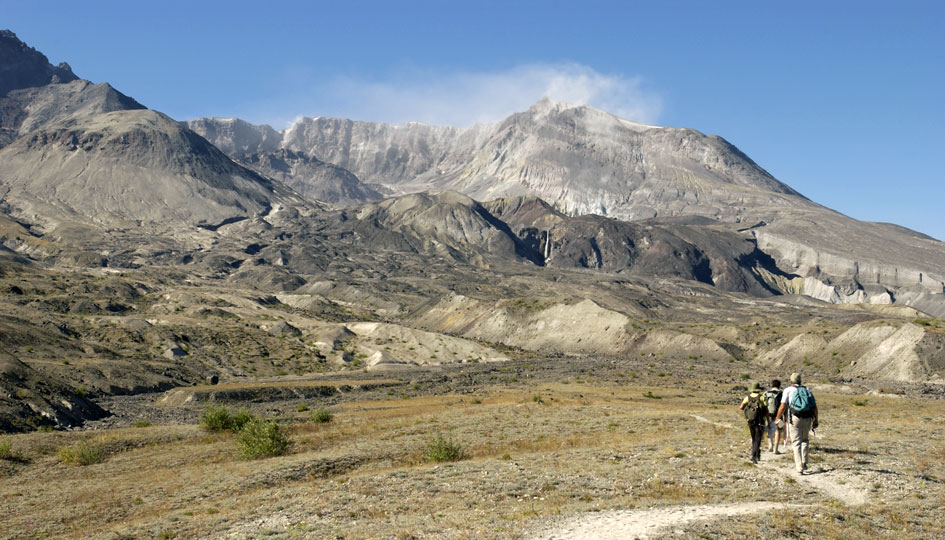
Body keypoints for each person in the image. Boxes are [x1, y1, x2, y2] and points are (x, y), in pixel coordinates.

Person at [776, 372, 819, 474]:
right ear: (800, 381)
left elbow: (782, 406)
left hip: (794, 418)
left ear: (791, 381)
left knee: (796, 442)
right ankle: (804, 463)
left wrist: (778, 418)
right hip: (808, 418)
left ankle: (799, 467)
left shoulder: (787, 390)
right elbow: (814, 407)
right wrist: (816, 420)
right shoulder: (807, 390)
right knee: (805, 440)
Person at [738, 382, 768, 464]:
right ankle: (754, 455)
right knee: (758, 438)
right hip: (760, 420)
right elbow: (766, 410)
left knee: (754, 437)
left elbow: (741, 407)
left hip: (750, 420)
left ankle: (757, 453)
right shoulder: (761, 397)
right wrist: (768, 420)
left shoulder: (747, 398)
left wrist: (748, 410)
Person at [764, 379, 784, 454]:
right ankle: (776, 448)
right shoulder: (781, 393)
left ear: (772, 385)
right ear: (779, 385)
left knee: (768, 427)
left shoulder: (766, 393)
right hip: (778, 414)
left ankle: (770, 445)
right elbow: (783, 405)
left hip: (768, 413)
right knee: (778, 430)